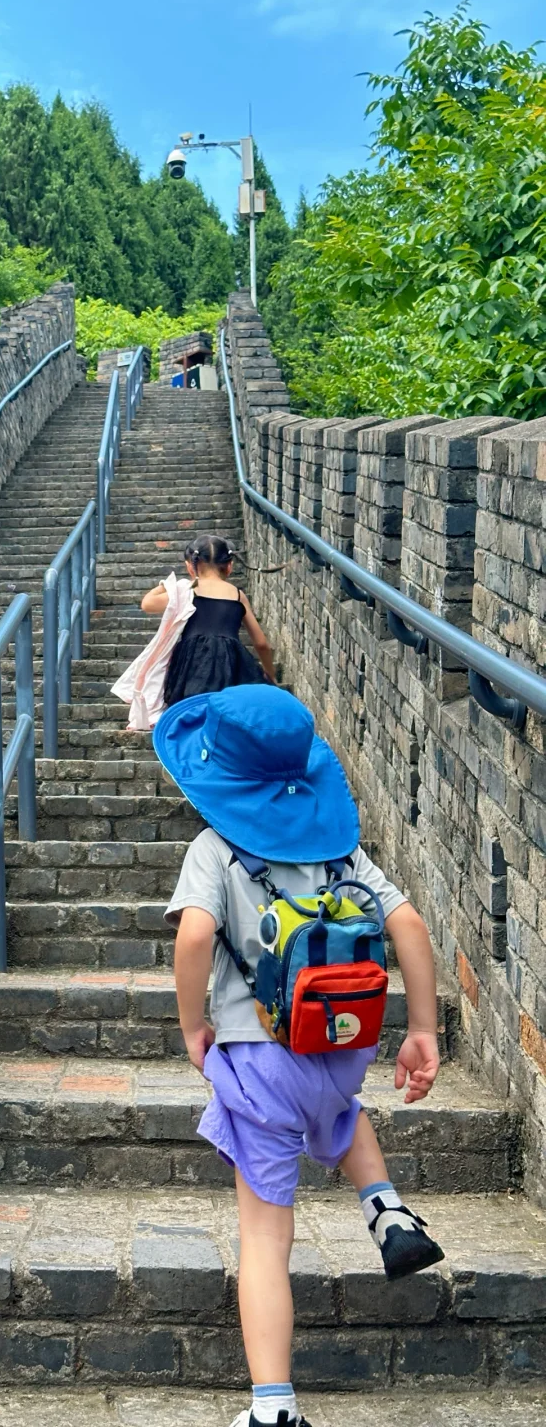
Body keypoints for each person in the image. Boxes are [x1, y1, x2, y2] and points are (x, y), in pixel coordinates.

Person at [157, 685, 444, 1427]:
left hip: (259, 1062)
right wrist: (423, 1029)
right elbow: (406, 922)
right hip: (341, 1048)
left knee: (264, 1235)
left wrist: (193, 1026)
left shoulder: (216, 849)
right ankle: (387, 1211)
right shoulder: (340, 847)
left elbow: (194, 938)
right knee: (343, 1113)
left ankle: (273, 1407)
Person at [144, 534, 275, 708]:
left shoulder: (189, 591)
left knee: (192, 708)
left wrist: (167, 585)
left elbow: (147, 604)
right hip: (231, 661)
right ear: (229, 566)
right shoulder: (238, 595)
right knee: (231, 708)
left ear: (191, 567)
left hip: (192, 660)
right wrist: (270, 674)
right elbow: (261, 643)